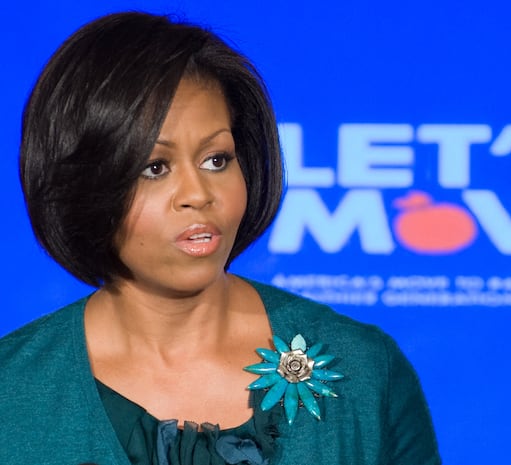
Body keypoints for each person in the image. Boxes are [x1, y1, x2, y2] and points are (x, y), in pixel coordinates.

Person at [0, 11, 440, 465]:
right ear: (84, 186)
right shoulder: (11, 394)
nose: (198, 194)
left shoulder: (365, 370)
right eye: (155, 168)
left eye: (216, 160)